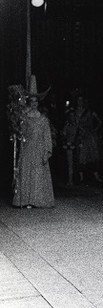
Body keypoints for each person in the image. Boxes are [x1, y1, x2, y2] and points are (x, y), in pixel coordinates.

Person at [12, 75, 55, 208]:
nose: (34, 103)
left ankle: (37, 200)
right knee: (26, 172)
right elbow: (20, 132)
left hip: (39, 148)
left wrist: (47, 151)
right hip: (27, 147)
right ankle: (25, 200)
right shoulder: (24, 117)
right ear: (29, 102)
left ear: (38, 103)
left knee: (37, 174)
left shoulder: (43, 119)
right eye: (31, 101)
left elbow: (47, 136)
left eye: (36, 101)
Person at [75, 94, 103, 183]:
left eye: (81, 100)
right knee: (81, 156)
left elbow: (100, 122)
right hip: (80, 136)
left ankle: (96, 176)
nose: (80, 102)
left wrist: (94, 130)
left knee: (92, 155)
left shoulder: (89, 112)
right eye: (78, 100)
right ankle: (81, 177)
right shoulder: (75, 112)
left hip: (89, 136)